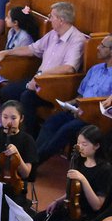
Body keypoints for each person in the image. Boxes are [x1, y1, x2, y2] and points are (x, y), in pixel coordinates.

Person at [0, 1, 87, 137]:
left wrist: (40, 76)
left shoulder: (77, 39)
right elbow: (32, 49)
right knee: (7, 91)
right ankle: (18, 128)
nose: (49, 18)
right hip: (38, 79)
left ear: (61, 20)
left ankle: (28, 137)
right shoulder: (52, 34)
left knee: (27, 97)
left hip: (55, 85)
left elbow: (69, 68)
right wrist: (6, 52)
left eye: (52, 16)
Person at [37, 34, 112, 163]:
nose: (98, 47)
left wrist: (85, 111)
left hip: (94, 118)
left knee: (65, 130)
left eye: (102, 46)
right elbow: (81, 96)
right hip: (77, 111)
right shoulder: (94, 70)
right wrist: (68, 104)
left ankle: (35, 162)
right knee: (52, 122)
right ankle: (32, 155)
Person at [35, 125, 110, 221]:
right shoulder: (79, 160)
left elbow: (97, 205)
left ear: (96, 146)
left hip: (82, 217)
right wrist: (57, 201)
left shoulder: (105, 170)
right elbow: (73, 192)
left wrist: (83, 179)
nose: (79, 147)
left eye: (84, 144)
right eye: (78, 143)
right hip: (68, 208)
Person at [0, 100, 37, 210]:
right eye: (5, 117)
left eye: (13, 118)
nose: (9, 122)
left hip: (16, 191)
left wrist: (17, 155)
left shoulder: (27, 140)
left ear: (21, 119)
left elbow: (26, 174)